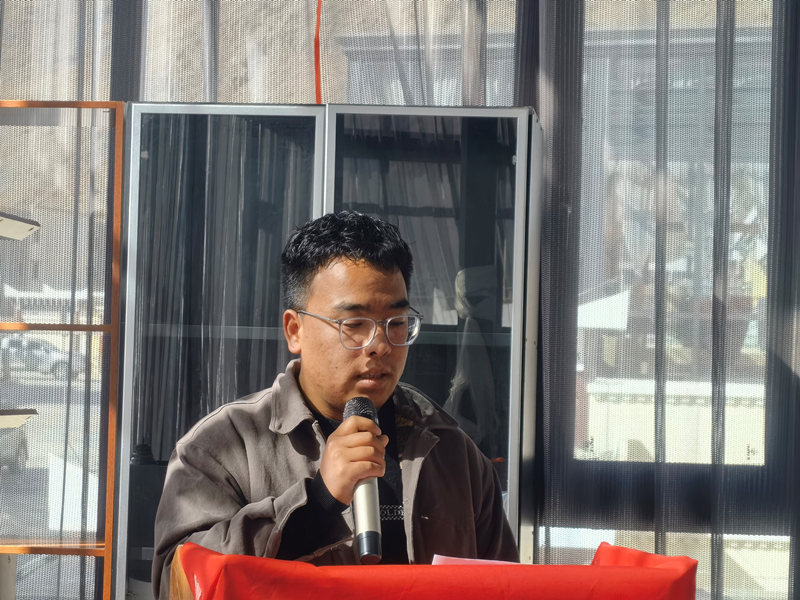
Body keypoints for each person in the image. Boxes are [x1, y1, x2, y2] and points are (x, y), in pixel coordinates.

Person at [151, 211, 518, 598]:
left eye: (396, 322)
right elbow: (178, 583)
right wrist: (318, 504)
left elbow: (504, 586)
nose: (380, 345)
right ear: (295, 330)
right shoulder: (222, 447)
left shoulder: (452, 451)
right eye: (354, 325)